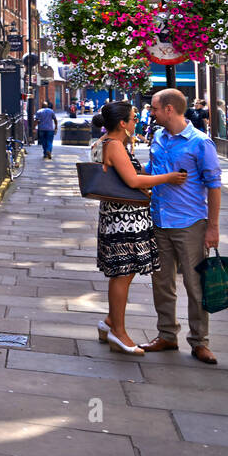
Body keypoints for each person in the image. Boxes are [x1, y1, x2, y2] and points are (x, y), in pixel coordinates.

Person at [90, 102, 186, 355]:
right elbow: (132, 180)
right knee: (122, 275)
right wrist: (168, 177)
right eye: (133, 119)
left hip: (119, 217)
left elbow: (128, 174)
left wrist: (155, 172)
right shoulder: (114, 145)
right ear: (122, 123)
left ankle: (110, 322)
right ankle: (118, 332)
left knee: (124, 273)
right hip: (125, 220)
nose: (136, 122)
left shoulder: (104, 143)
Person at [145, 87, 223, 364]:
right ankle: (166, 335)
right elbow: (151, 173)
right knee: (162, 283)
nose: (151, 113)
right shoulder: (157, 137)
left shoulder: (200, 142)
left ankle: (200, 341)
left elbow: (214, 186)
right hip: (159, 220)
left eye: (154, 108)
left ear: (169, 109)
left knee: (195, 284)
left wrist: (212, 227)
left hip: (190, 222)